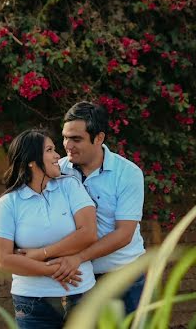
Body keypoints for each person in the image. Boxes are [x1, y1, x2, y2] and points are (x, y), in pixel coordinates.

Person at [0, 129, 98, 328]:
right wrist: (52, 270)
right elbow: (2, 260)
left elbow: (89, 233)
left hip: (81, 296)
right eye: (50, 150)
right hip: (33, 303)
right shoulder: (7, 204)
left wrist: (41, 254)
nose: (58, 155)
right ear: (31, 160)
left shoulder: (70, 186)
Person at [49, 101, 147, 315]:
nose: (67, 145)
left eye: (76, 139)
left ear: (99, 138)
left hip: (125, 278)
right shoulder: (58, 171)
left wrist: (78, 257)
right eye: (65, 137)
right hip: (80, 278)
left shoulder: (128, 173)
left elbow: (124, 234)